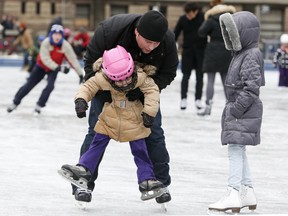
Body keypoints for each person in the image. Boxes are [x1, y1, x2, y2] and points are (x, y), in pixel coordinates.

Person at [73, 10, 178, 205]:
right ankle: (83, 183)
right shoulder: (109, 32)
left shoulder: (167, 40)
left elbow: (168, 73)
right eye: (148, 41)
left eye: (156, 43)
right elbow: (90, 67)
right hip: (106, 88)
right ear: (137, 32)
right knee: (96, 132)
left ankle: (160, 183)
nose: (151, 47)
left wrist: (142, 93)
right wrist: (104, 95)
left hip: (144, 90)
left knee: (154, 133)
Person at [59, 45, 164, 203]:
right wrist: (81, 100)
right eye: (119, 79)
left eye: (127, 78)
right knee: (96, 144)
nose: (123, 83)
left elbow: (152, 91)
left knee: (141, 151)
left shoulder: (141, 76)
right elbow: (88, 86)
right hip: (110, 119)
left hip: (134, 121)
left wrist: (149, 113)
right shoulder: (103, 77)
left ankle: (147, 180)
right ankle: (83, 169)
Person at [208, 11, 265, 214]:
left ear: (244, 33)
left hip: (243, 110)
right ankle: (247, 191)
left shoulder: (249, 55)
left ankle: (233, 192)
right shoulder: (241, 54)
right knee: (238, 148)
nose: (232, 39)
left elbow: (252, 88)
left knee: (235, 149)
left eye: (234, 34)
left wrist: (235, 109)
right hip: (241, 109)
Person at [7, 24, 84, 114]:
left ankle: (39, 105)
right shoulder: (46, 42)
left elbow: (73, 60)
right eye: (55, 34)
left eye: (59, 34)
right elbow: (45, 59)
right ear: (51, 34)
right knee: (29, 85)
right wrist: (59, 68)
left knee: (50, 86)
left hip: (53, 69)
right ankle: (15, 102)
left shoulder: (65, 45)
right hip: (41, 66)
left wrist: (80, 74)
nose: (57, 36)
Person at [197, 0, 236, 116]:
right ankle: (230, 108)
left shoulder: (211, 19)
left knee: (210, 80)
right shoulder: (231, 19)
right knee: (226, 81)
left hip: (212, 50)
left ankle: (208, 107)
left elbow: (201, 32)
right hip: (226, 50)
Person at [174, 2, 207, 110]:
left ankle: (198, 99)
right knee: (185, 76)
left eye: (189, 14)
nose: (188, 16)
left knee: (200, 77)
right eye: (186, 14)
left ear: (195, 11)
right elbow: (175, 33)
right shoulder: (183, 19)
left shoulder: (204, 17)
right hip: (187, 51)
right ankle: (183, 99)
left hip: (201, 52)